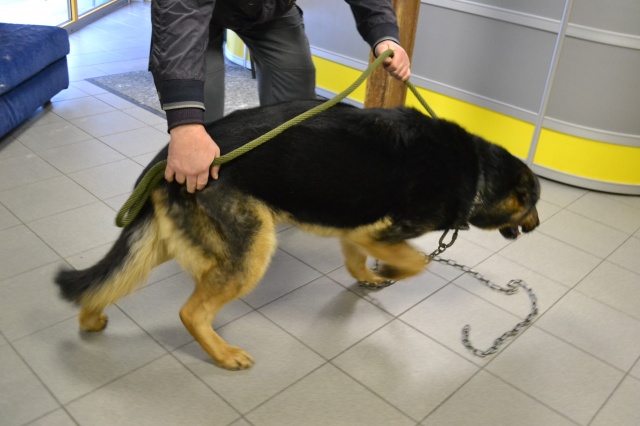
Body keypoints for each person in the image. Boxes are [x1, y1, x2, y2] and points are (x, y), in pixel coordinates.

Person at [149, 0, 412, 193]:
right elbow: (179, 13)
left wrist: (384, 34)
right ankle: (197, 197)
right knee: (200, 121)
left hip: (269, 9)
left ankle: (274, 191)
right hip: (190, 14)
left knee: (298, 107)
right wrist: (186, 125)